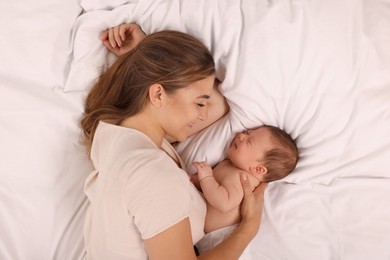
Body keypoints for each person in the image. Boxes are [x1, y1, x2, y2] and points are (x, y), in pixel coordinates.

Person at [80, 23, 268, 260]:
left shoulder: (117, 129)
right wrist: (249, 227)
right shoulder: (153, 175)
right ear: (157, 94)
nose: (203, 113)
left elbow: (222, 105)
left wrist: (144, 56)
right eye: (199, 103)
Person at [191, 125, 299, 256]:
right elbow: (209, 189)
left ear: (258, 169)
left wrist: (206, 177)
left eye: (249, 141)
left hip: (221, 241)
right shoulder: (229, 165)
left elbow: (224, 203)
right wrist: (194, 180)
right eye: (247, 132)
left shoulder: (243, 179)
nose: (241, 136)